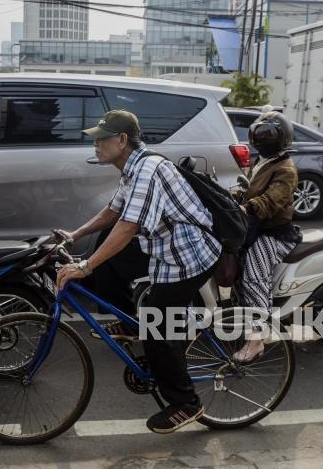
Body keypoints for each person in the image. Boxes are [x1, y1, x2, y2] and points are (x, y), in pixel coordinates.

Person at [55, 110, 221, 434]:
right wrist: (75, 235)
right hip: (164, 249)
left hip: (189, 256)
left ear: (121, 140)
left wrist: (85, 265)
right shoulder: (131, 168)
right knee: (106, 251)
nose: (96, 145)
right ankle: (134, 320)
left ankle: (187, 403)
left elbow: (128, 227)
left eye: (102, 139)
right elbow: (114, 211)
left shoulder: (148, 170)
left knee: (158, 324)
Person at [232, 111, 301, 363]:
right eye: (260, 134)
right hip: (254, 227)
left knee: (253, 277)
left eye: (268, 135)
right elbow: (249, 190)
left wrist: (248, 207)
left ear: (282, 139)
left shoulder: (286, 168)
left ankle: (256, 340)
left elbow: (273, 199)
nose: (263, 139)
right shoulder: (261, 160)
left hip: (274, 233)